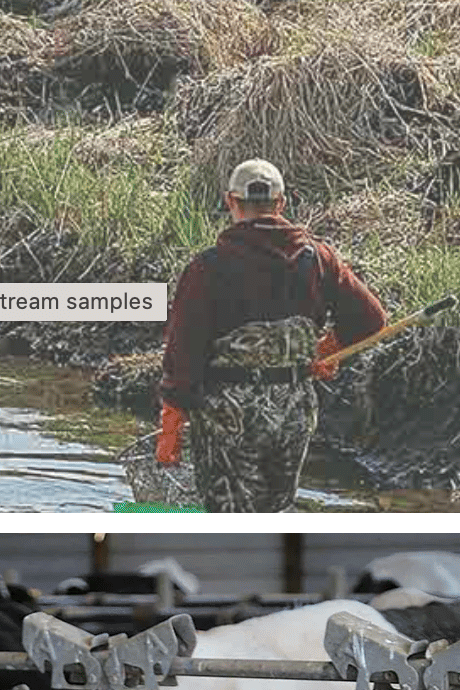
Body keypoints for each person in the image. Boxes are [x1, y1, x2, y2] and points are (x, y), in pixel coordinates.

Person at [155, 159, 388, 512]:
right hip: (292, 415)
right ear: (281, 204)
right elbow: (371, 319)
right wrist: (329, 346)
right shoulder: (319, 258)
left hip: (229, 419)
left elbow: (183, 352)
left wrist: (172, 423)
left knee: (228, 520)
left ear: (231, 202)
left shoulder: (208, 268)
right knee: (276, 511)